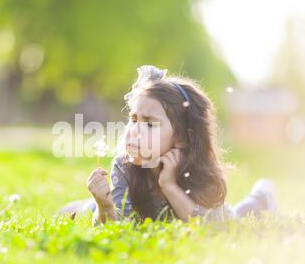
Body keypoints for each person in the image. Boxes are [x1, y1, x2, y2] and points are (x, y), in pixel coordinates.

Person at [60, 65, 277, 225]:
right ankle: (81, 205)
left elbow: (211, 227)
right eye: (134, 119)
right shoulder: (124, 166)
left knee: (237, 216)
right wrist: (104, 207)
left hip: (210, 212)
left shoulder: (197, 171)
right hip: (100, 207)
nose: (134, 131)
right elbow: (118, 226)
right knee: (75, 211)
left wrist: (170, 187)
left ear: (182, 137)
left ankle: (263, 196)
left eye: (150, 124)